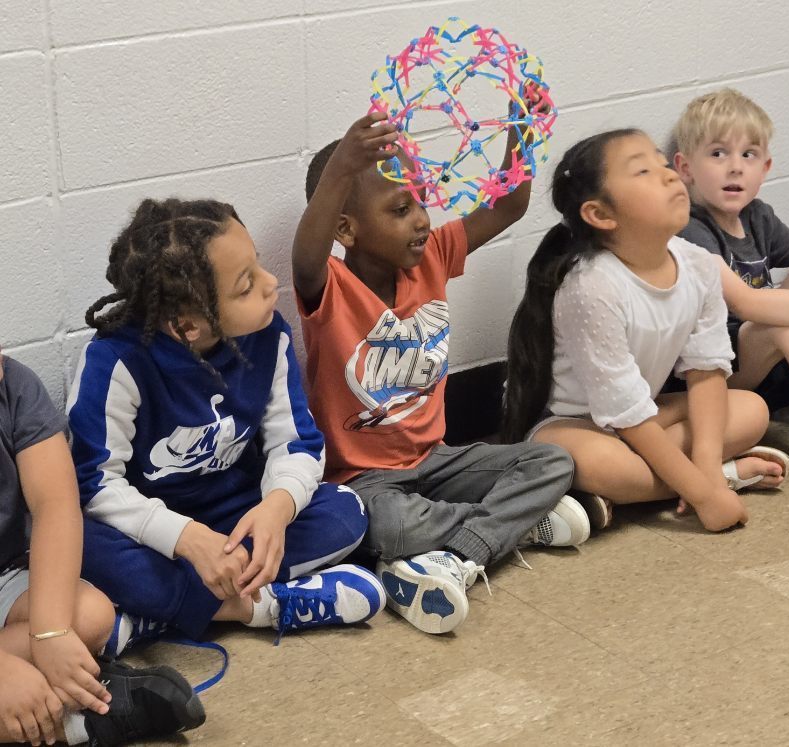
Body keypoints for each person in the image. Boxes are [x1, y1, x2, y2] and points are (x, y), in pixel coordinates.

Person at [292, 110, 579, 636]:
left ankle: (453, 554)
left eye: (420, 200)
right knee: (391, 524)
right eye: (401, 209)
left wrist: (521, 130)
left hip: (440, 460)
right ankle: (504, 530)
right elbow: (305, 253)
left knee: (552, 463)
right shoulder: (327, 286)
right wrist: (341, 169)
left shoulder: (433, 257)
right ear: (345, 229)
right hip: (364, 481)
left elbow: (511, 203)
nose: (422, 218)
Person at [67, 198, 385, 654]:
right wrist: (186, 539)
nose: (271, 282)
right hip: (152, 531)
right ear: (186, 324)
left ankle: (150, 618)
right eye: (245, 285)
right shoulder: (114, 363)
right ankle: (252, 608)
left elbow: (296, 442)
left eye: (256, 264)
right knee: (80, 545)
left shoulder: (269, 336)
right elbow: (93, 486)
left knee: (346, 512)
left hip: (236, 515)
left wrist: (277, 508)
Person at [503, 129, 789, 533]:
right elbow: (625, 414)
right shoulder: (592, 285)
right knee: (600, 462)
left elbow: (705, 372)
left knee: (751, 409)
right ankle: (723, 477)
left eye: (662, 163)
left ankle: (645, 487)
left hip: (645, 414)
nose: (669, 174)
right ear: (601, 215)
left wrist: (705, 471)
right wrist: (710, 494)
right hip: (575, 427)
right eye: (643, 171)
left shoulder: (700, 265)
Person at [0, 350, 204, 746]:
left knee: (90, 615)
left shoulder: (15, 385)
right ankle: (79, 723)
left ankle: (51, 705)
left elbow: (55, 504)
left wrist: (50, 633)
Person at [672, 88, 789, 414]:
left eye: (748, 154)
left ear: (765, 167)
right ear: (685, 168)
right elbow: (748, 305)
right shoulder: (689, 229)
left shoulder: (758, 215)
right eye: (718, 153)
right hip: (718, 372)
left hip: (768, 363)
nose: (735, 167)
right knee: (774, 324)